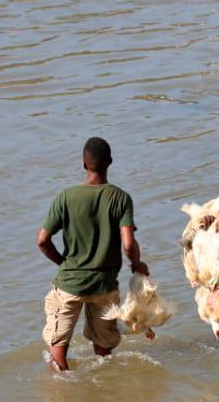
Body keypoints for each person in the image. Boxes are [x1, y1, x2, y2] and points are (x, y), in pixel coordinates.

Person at [36, 137, 150, 372]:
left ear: (84, 164)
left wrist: (63, 263)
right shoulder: (121, 198)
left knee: (58, 345)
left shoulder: (65, 197)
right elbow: (128, 244)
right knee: (104, 348)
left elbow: (42, 241)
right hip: (105, 286)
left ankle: (63, 392)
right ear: (110, 162)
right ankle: (106, 391)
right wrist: (137, 263)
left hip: (70, 285)